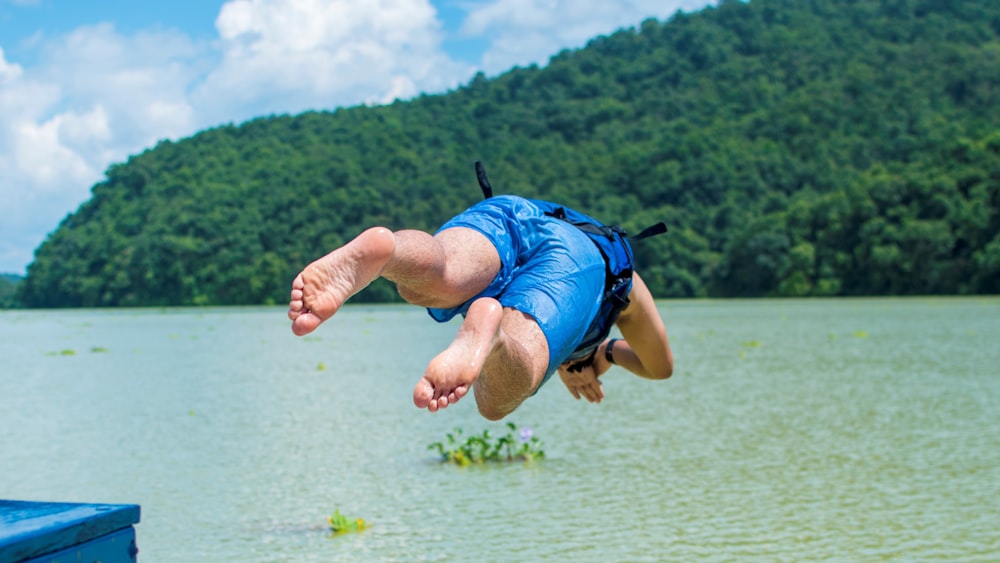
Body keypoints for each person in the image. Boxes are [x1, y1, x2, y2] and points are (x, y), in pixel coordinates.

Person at [287, 175, 674, 421]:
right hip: (578, 261)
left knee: (440, 272)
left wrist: (584, 359)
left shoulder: (561, 221)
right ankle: (495, 340)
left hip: (510, 212)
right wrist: (604, 355)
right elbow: (659, 366)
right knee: (496, 398)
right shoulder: (624, 283)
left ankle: (389, 252)